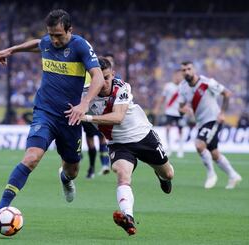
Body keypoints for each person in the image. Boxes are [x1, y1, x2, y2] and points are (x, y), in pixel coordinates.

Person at [0, 9, 104, 233]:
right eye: (51, 35)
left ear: (70, 30)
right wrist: (12, 50)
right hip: (45, 112)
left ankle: (65, 179)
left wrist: (84, 103)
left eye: (59, 35)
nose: (55, 40)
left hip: (71, 116)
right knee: (31, 158)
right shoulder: (48, 42)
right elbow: (37, 43)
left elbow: (97, 76)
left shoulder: (79, 46)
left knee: (72, 169)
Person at [78, 57, 174, 235]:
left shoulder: (121, 87)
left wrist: (88, 118)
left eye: (107, 77)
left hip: (143, 137)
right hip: (119, 144)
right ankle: (128, 217)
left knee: (168, 173)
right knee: (122, 175)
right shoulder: (85, 95)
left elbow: (118, 117)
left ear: (112, 74)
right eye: (100, 78)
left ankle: (161, 177)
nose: (104, 83)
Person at [178, 61, 242, 189]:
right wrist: (183, 110)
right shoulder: (182, 87)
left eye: (189, 69)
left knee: (199, 144)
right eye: (183, 70)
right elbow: (181, 107)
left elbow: (227, 93)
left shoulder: (207, 83)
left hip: (214, 119)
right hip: (201, 123)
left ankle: (211, 174)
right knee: (214, 153)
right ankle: (233, 175)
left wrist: (222, 113)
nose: (186, 72)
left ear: (194, 69)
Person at [82, 54, 118, 179]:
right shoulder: (90, 72)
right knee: (91, 141)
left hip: (101, 111)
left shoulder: (116, 81)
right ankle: (92, 167)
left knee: (102, 138)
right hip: (88, 108)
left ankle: (104, 165)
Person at [153, 69, 184, 158]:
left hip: (180, 112)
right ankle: (169, 147)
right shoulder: (168, 86)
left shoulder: (183, 86)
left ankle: (180, 148)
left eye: (180, 75)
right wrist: (157, 108)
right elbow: (162, 98)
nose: (178, 77)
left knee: (180, 130)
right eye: (177, 75)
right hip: (170, 111)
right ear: (174, 76)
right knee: (167, 129)